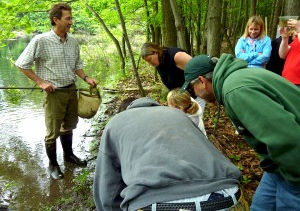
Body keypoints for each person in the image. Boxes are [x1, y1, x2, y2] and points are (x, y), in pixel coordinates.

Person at [181, 54, 300, 210]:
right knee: (260, 206)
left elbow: (287, 138)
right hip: (278, 164)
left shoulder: (236, 90)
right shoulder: (236, 79)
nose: (195, 95)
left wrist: (294, 179)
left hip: (294, 165)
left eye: (192, 89)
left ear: (202, 81)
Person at [93, 97, 248, 211]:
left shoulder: (116, 123)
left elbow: (107, 189)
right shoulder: (177, 114)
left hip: (160, 205)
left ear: (124, 111)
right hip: (229, 197)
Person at [15, 3, 97, 180]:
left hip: (71, 90)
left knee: (69, 126)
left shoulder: (73, 41)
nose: (71, 22)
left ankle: (69, 156)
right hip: (54, 93)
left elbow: (77, 66)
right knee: (52, 131)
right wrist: (40, 82)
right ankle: (53, 165)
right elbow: (22, 64)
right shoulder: (41, 40)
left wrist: (86, 78)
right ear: (56, 19)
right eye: (68, 19)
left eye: (71, 18)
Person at [141, 42, 206, 112]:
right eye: (147, 62)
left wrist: (197, 93)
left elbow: (200, 71)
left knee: (193, 121)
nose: (150, 63)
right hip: (181, 100)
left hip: (196, 96)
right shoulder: (159, 63)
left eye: (149, 60)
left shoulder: (177, 56)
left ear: (155, 52)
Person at [279, 19, 300, 87]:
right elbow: (282, 55)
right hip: (287, 81)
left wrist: (299, 29)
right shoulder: (296, 40)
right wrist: (285, 38)